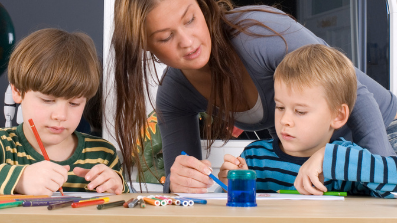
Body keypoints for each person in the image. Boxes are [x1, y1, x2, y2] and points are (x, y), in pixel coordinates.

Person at [111, 0, 397, 194]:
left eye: (190, 19)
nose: (188, 42)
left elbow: (360, 94)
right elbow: (185, 185)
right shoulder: (174, 96)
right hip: (319, 159)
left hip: (384, 134)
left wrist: (384, 182)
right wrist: (180, 182)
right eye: (164, 37)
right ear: (146, 46)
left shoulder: (259, 33)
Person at [219, 44, 397, 198]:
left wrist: (328, 158)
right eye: (280, 107)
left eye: (300, 111)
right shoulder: (253, 158)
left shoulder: (347, 160)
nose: (285, 120)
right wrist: (232, 185)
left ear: (338, 116)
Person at [0, 28, 129, 195]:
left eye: (74, 103)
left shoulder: (103, 154)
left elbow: (124, 206)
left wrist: (118, 186)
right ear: (17, 91)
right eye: (48, 101)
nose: (60, 116)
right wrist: (20, 179)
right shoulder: (4, 145)